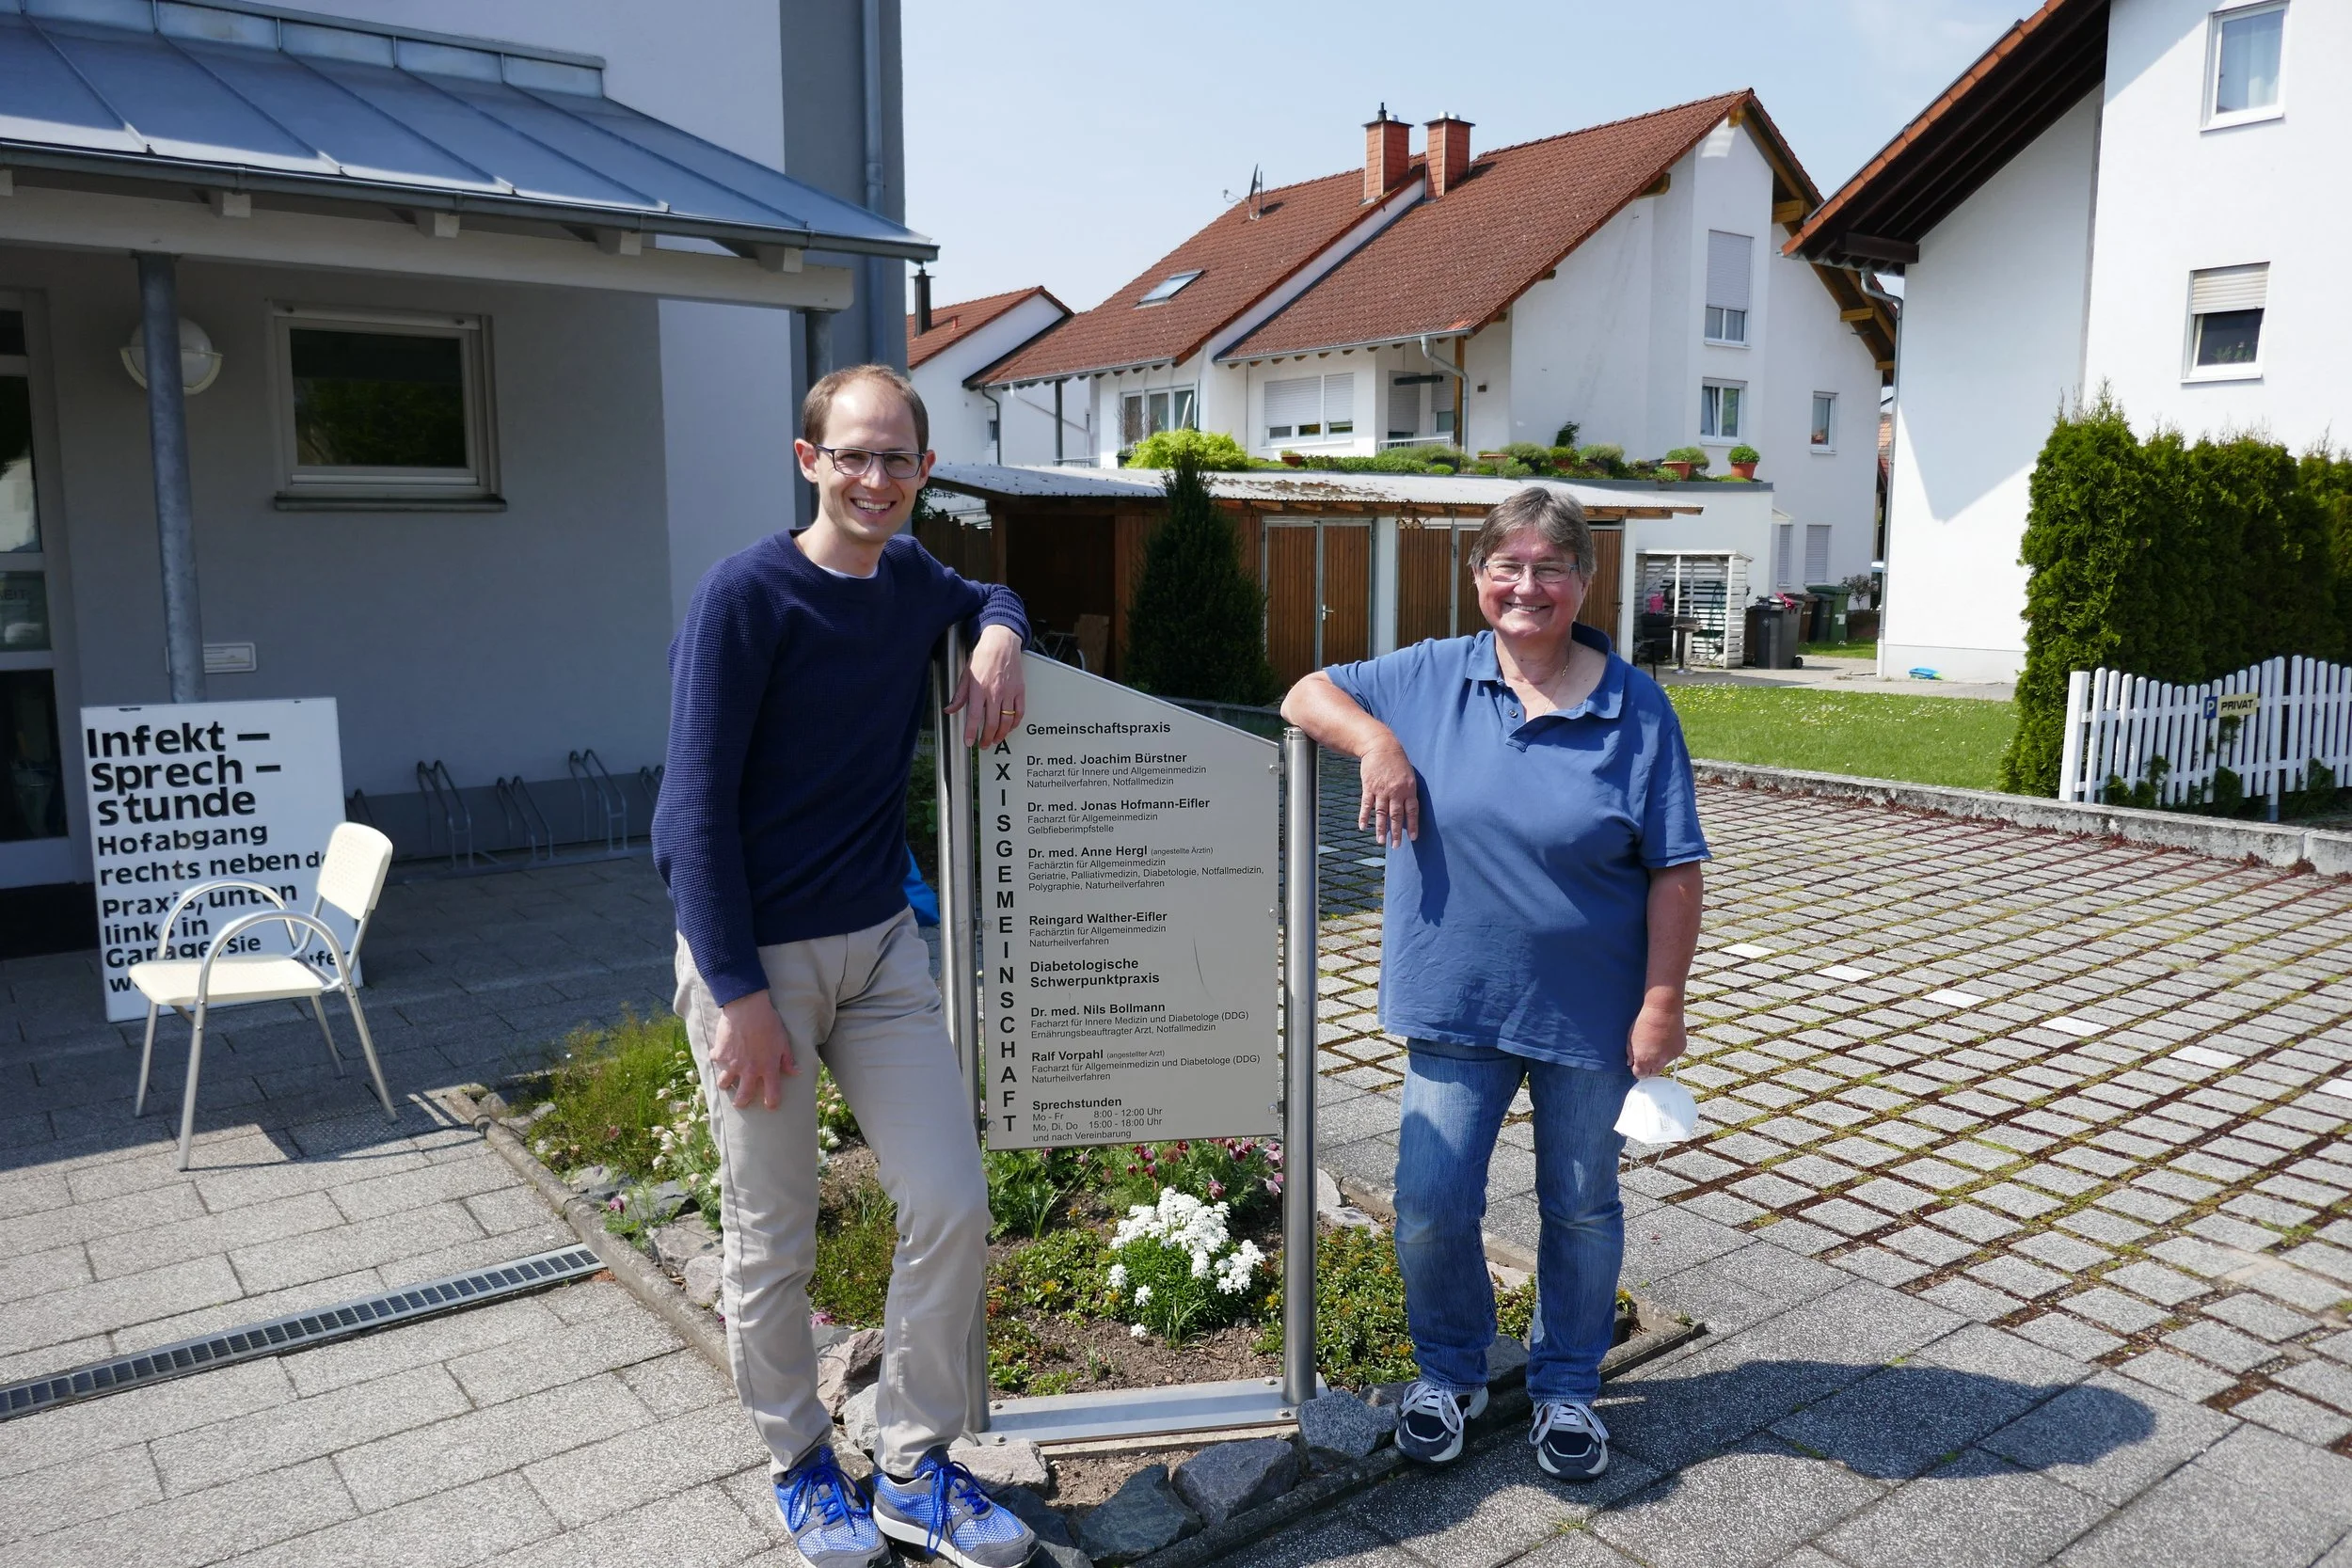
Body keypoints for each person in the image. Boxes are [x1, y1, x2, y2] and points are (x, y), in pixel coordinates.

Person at [655, 363, 1037, 1568]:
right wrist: (739, 996)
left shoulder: (911, 575)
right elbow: (688, 821)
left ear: (925, 470)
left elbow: (990, 584)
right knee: (774, 1232)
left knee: (950, 1200)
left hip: (878, 950)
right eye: (853, 455)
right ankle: (799, 1457)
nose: (876, 479)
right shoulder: (745, 598)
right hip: (753, 961)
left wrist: (999, 634)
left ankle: (914, 1465)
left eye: (899, 459)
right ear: (808, 457)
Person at [1280, 486, 1707, 1482]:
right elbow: (1305, 693)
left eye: (1550, 567)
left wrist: (1661, 1001)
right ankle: (1452, 1370)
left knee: (1580, 1204)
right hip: (1454, 998)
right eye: (1507, 567)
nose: (1528, 586)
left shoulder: (1634, 706)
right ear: (1477, 579)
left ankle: (1565, 1385)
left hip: (1589, 1013)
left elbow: (1675, 867)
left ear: (1584, 581)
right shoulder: (1430, 674)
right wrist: (1378, 741)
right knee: (1430, 1202)